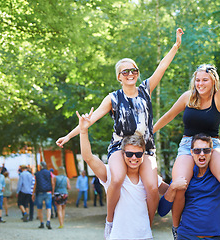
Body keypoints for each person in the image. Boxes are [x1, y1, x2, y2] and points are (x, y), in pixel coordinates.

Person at [56, 28, 184, 231]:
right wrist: (69, 135)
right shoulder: (113, 98)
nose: (131, 74)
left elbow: (161, 67)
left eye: (134, 70)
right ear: (119, 76)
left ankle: (147, 225)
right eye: (126, 71)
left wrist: (175, 46)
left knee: (152, 187)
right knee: (115, 178)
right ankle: (109, 221)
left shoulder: (145, 90)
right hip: (120, 147)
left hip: (145, 149)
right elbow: (88, 121)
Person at [153, 32, 220, 234]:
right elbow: (168, 116)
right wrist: (149, 132)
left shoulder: (219, 99)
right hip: (188, 146)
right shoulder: (188, 97)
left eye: (205, 80)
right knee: (181, 185)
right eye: (197, 80)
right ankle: (176, 228)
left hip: (212, 145)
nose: (200, 84)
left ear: (213, 81)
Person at [77, 109, 170, 240]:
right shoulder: (111, 173)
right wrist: (83, 131)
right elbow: (88, 158)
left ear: (143, 154)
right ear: (122, 153)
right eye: (129, 154)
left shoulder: (149, 178)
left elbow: (170, 192)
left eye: (138, 154)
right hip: (118, 236)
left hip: (145, 236)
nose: (134, 158)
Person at [33, 161, 53, 229]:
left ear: (40, 167)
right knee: (48, 208)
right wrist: (52, 191)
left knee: (39, 208)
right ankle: (48, 221)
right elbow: (52, 182)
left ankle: (41, 223)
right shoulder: (49, 173)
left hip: (40, 193)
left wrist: (33, 193)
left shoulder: (37, 174)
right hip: (48, 192)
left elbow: (35, 184)